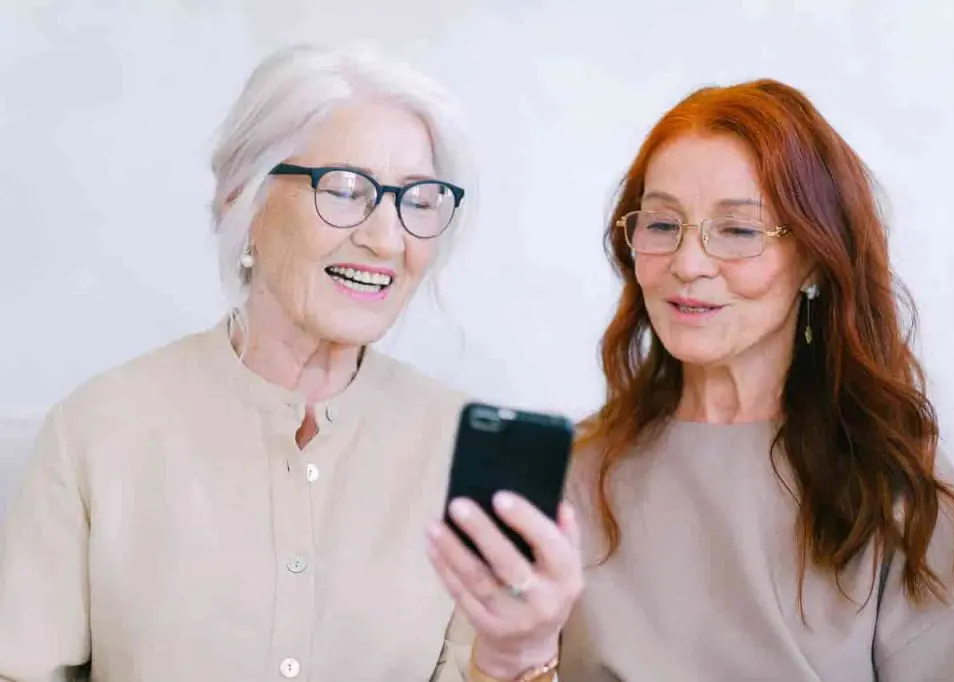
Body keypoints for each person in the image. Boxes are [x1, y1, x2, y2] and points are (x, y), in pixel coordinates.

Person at [0, 44, 580, 682]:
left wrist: (514, 657)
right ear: (241, 200)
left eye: (418, 200)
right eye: (345, 190)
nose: (387, 239)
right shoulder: (97, 429)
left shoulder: (460, 449)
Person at [557, 79, 954, 681]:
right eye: (662, 225)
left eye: (739, 231)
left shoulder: (892, 479)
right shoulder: (571, 469)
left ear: (816, 259)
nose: (688, 264)